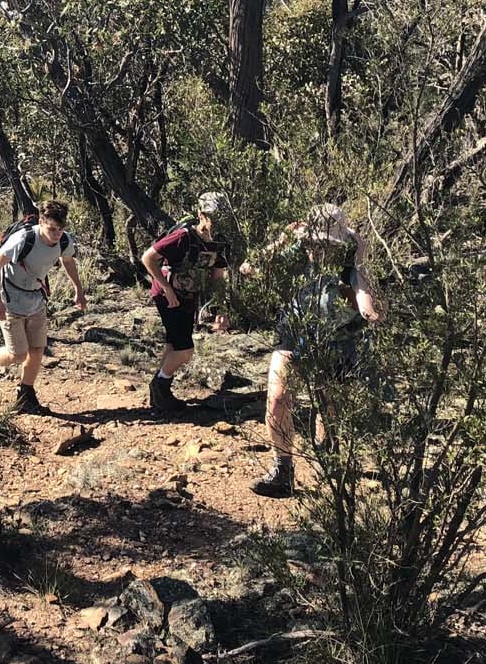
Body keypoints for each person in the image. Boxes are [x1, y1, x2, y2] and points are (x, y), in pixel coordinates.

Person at [242, 204, 384, 498]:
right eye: (314, 243)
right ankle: (282, 469)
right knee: (278, 398)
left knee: (327, 404)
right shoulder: (293, 250)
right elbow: (250, 269)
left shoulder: (350, 253)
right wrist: (282, 239)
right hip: (294, 330)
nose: (319, 250)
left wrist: (368, 307)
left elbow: (361, 284)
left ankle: (328, 451)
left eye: (326, 244)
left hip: (335, 337)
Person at [0, 199, 86, 415]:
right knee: (17, 353)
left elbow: (68, 261)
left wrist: (78, 290)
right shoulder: (24, 239)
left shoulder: (64, 241)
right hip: (11, 297)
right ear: (42, 221)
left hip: (36, 297)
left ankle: (26, 395)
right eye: (52, 229)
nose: (56, 234)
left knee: (37, 348)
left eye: (61, 229)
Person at [141, 192, 233, 414]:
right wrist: (167, 288)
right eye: (212, 216)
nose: (216, 222)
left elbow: (218, 277)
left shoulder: (219, 243)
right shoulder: (183, 237)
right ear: (201, 215)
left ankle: (160, 392)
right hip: (168, 296)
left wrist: (220, 308)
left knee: (174, 344)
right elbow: (148, 258)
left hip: (188, 296)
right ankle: (160, 386)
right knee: (185, 351)